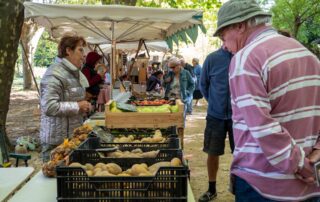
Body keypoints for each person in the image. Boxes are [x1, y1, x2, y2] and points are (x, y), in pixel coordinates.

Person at [214, 0, 320, 201]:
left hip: (264, 184)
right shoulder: (308, 55)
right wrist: (315, 155)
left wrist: (298, 164)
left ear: (240, 25)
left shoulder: (246, 58)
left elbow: (262, 126)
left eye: (223, 35)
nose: (224, 45)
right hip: (309, 185)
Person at [40, 35, 91, 162]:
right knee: (54, 181)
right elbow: (49, 107)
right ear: (68, 51)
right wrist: (77, 106)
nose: (84, 55)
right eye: (80, 50)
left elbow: (72, 99)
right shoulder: (54, 74)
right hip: (56, 144)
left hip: (71, 140)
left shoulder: (73, 73)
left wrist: (83, 106)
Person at [198, 47, 234, 202]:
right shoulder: (212, 58)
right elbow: (203, 84)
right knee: (212, 152)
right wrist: (213, 102)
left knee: (241, 154)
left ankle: (239, 190)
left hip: (239, 117)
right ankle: (211, 189)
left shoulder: (244, 55)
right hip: (215, 116)